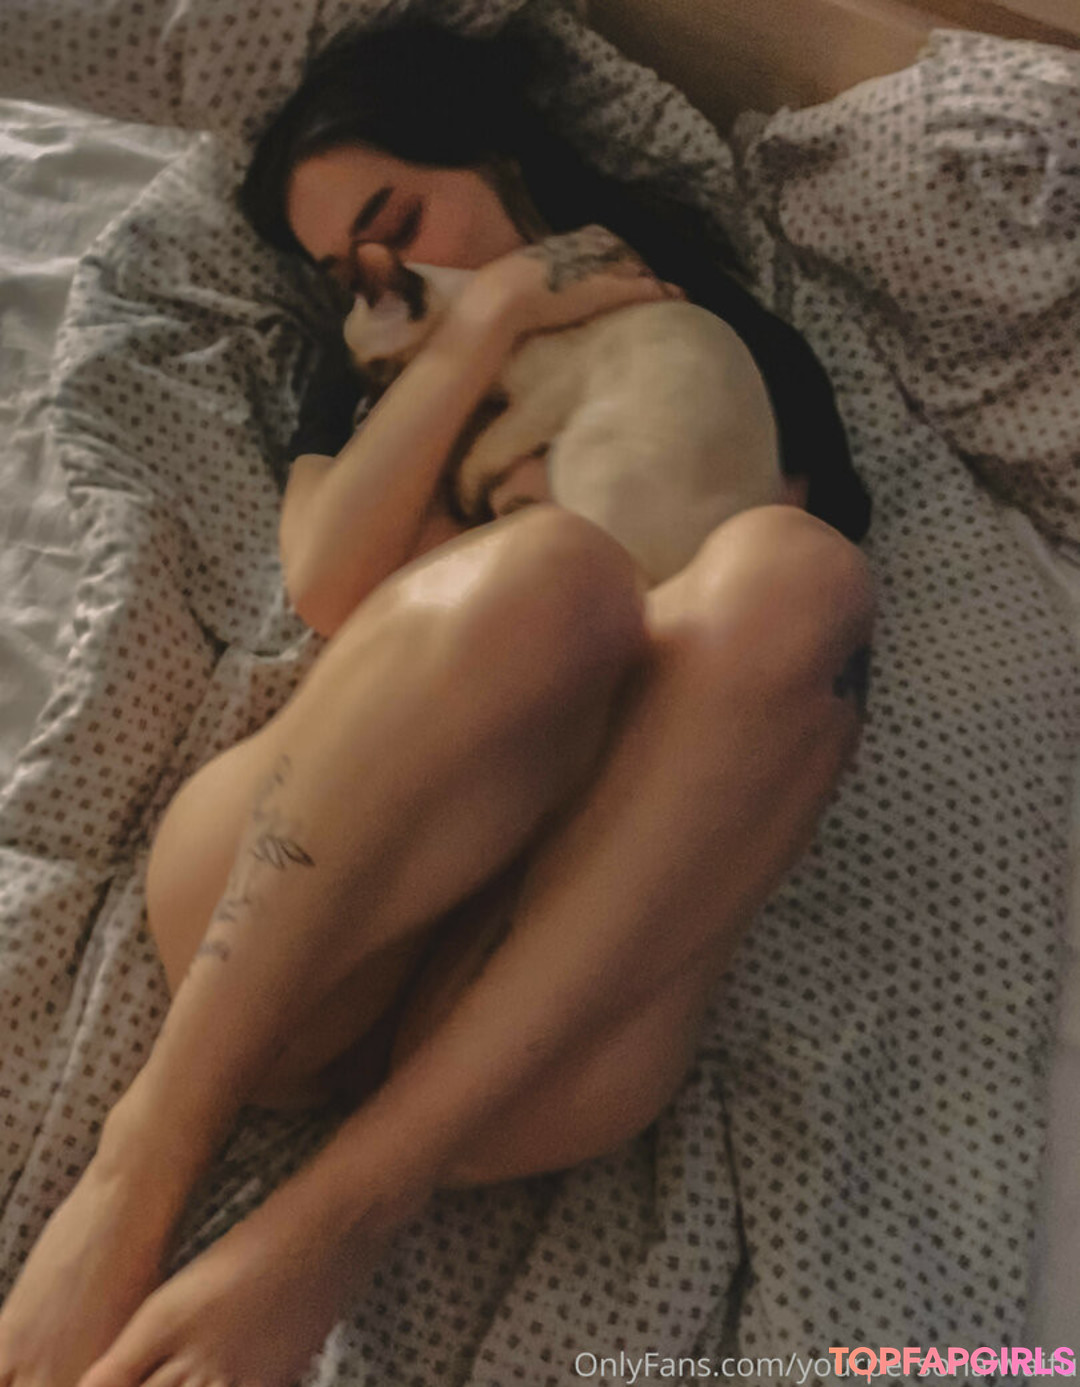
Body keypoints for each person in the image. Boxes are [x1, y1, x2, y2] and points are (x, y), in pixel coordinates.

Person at [0, 19, 876, 1387]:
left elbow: (762, 682)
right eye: (338, 271)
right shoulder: (368, 397)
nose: (380, 279)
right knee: (551, 574)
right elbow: (331, 582)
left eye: (396, 221)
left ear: (507, 164)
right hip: (292, 924)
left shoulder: (718, 347)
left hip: (529, 1044)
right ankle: (142, 1161)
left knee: (803, 577)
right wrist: (489, 322)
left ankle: (339, 1213)